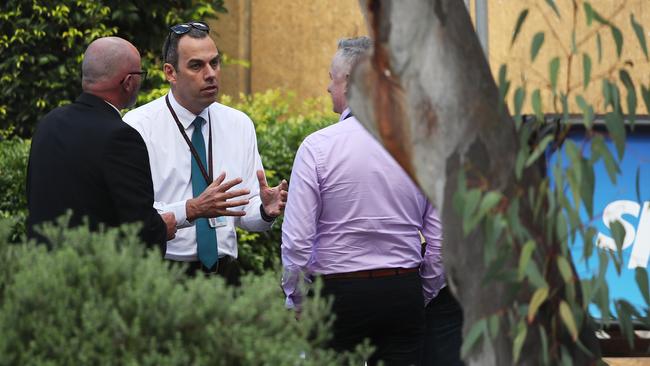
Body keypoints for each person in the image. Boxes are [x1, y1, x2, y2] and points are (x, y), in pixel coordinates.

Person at [281, 36, 447, 366]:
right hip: (402, 290)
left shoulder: (317, 148)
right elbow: (442, 243)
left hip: (339, 295)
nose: (328, 87)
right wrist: (420, 292)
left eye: (332, 78)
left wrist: (297, 301)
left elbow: (297, 243)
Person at [123, 21, 288, 284]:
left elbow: (246, 216)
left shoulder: (239, 124)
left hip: (225, 274)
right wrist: (191, 209)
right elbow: (132, 215)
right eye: (197, 66)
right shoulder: (138, 126)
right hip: (163, 272)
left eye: (215, 63)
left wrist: (266, 211)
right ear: (170, 72)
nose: (210, 74)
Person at [26, 37, 176, 250]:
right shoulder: (121, 137)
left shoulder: (49, 122)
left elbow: (35, 199)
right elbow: (140, 228)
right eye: (140, 74)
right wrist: (163, 228)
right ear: (128, 82)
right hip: (95, 272)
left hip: (42, 270)